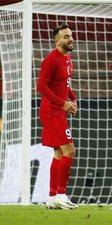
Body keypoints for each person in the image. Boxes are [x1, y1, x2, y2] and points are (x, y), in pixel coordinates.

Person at [37, 24, 78, 210]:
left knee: (59, 153)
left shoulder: (68, 58)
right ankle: (62, 194)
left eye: (71, 36)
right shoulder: (51, 60)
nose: (71, 39)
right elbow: (41, 86)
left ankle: (52, 197)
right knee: (70, 150)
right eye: (67, 37)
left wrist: (73, 99)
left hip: (59, 110)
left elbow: (64, 83)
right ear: (57, 41)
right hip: (51, 111)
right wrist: (62, 103)